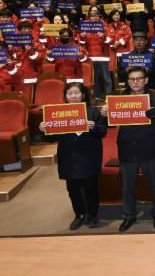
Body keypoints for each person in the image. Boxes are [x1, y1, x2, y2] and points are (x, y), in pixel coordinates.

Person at [101, 66, 155, 232]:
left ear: (146, 80)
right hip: (127, 147)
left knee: (154, 184)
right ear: (127, 81)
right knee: (128, 186)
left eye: (139, 78)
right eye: (132, 79)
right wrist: (104, 115)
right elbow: (107, 124)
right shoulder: (119, 99)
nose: (135, 82)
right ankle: (128, 215)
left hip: (150, 147)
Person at [38, 82, 107, 230]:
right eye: (70, 93)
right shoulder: (57, 113)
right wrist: (43, 130)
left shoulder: (93, 112)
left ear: (83, 95)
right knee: (73, 190)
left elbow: (102, 132)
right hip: (68, 158)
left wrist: (94, 127)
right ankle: (79, 215)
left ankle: (93, 215)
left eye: (76, 93)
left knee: (91, 188)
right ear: (66, 96)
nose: (73, 96)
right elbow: (51, 138)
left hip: (89, 157)